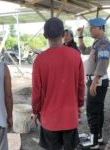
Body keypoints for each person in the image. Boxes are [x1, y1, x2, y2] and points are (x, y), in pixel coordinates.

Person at [32, 17, 85, 150]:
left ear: (45, 36)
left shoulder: (39, 60)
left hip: (50, 119)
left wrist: (36, 111)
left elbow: (36, 91)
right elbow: (80, 85)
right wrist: (79, 106)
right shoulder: (75, 56)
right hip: (70, 117)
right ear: (63, 34)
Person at [77, 18, 110, 149]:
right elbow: (84, 50)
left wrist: (94, 82)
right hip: (96, 81)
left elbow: (103, 63)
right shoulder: (97, 43)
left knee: (92, 111)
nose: (90, 30)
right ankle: (99, 137)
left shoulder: (103, 43)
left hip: (97, 81)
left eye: (92, 28)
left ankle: (93, 142)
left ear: (100, 28)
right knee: (98, 111)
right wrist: (80, 35)